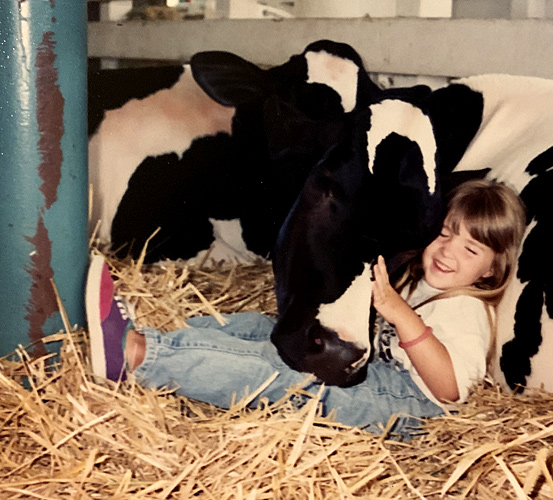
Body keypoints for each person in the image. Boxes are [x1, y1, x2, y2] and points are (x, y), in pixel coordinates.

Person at [86, 179, 526, 437]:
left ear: (489, 273)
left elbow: (449, 389)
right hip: (377, 375)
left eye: (470, 249)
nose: (448, 251)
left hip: (401, 407)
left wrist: (402, 315)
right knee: (264, 329)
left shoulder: (466, 310)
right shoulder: (425, 279)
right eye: (446, 233)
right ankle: (151, 339)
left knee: (277, 376)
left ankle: (138, 358)